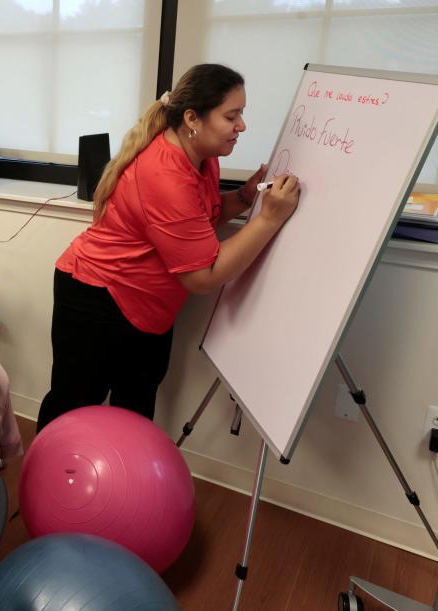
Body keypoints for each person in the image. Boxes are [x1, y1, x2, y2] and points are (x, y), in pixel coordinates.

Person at [37, 63, 301, 432]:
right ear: (193, 118)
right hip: (97, 297)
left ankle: (123, 489)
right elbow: (203, 276)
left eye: (242, 114)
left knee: (135, 410)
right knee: (73, 407)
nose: (241, 126)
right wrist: (268, 219)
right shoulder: (164, 174)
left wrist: (243, 198)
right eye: (232, 115)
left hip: (145, 306)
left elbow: (198, 217)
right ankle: (50, 485)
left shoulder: (203, 157)